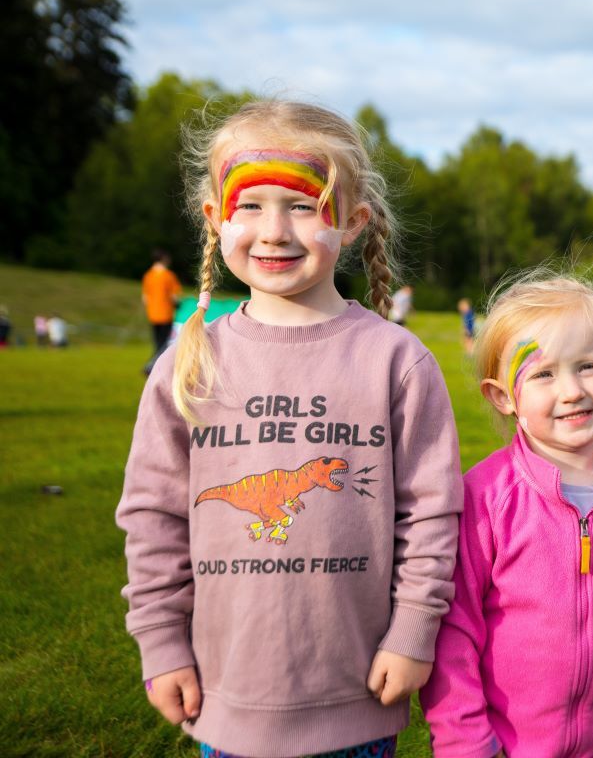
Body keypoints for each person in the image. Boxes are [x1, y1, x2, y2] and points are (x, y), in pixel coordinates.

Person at [115, 99, 463, 758]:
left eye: (303, 206)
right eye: (250, 205)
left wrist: (414, 630)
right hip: (226, 698)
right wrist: (161, 643)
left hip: (360, 694)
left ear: (353, 222)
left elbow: (432, 512)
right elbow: (152, 517)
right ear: (215, 217)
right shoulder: (185, 367)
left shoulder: (397, 361)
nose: (274, 231)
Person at [421, 274, 593, 758]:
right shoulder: (487, 499)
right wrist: (463, 739)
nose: (572, 391)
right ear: (502, 396)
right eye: (543, 374)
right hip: (502, 747)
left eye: (587, 366)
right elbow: (454, 627)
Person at [143, 249, 183, 372]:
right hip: (166, 314)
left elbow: (145, 298)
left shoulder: (148, 275)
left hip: (152, 314)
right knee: (163, 343)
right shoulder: (168, 276)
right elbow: (174, 296)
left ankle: (154, 366)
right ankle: (152, 367)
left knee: (157, 342)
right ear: (164, 259)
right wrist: (178, 305)